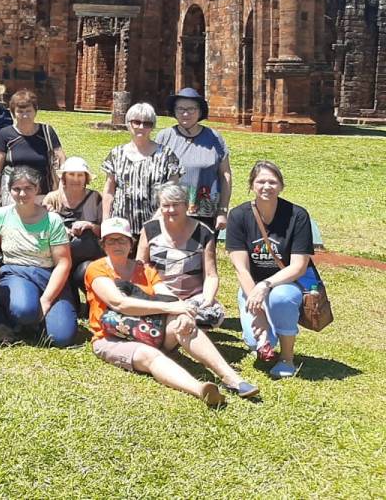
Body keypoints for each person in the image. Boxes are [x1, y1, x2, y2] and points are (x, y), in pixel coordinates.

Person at [85, 217, 258, 404]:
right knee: (149, 355)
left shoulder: (145, 269)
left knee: (182, 324)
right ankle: (201, 390)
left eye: (122, 240)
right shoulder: (96, 269)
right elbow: (119, 303)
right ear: (103, 244)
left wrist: (183, 313)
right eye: (111, 240)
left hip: (151, 331)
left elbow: (168, 296)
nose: (117, 245)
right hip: (110, 338)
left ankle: (232, 379)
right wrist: (170, 307)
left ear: (131, 243)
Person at [226, 161, 315, 379]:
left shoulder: (297, 215)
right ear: (252, 185)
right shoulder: (238, 215)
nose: (267, 186)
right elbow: (241, 269)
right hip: (251, 287)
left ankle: (287, 358)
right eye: (261, 181)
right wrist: (257, 308)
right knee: (252, 340)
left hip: (286, 284)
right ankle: (269, 333)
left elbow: (298, 266)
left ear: (281, 186)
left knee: (281, 298)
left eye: (272, 182)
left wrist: (266, 286)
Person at [0, 166, 77, 347]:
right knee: (24, 310)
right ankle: (12, 317)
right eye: (16, 189)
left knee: (61, 337)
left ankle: (28, 323)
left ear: (37, 189)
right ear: (9, 190)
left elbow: (63, 263)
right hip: (14, 273)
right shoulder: (0, 216)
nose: (22, 193)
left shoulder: (53, 220)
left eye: (28, 188)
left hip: (47, 275)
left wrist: (47, 300)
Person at [137, 183, 224, 328]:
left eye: (176, 204)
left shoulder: (203, 233)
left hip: (193, 297)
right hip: (159, 294)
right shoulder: (150, 229)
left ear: (186, 206)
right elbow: (140, 267)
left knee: (213, 314)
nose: (171, 210)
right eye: (165, 205)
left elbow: (211, 275)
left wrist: (207, 300)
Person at [102, 102, 183, 239]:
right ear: (128, 123)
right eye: (136, 122)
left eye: (147, 123)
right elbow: (109, 190)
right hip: (121, 226)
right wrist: (106, 220)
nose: (141, 127)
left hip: (157, 225)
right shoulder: (116, 154)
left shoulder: (166, 155)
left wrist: (154, 222)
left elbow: (172, 193)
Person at [155, 88, 232, 231]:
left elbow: (225, 175)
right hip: (171, 211)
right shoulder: (164, 137)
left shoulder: (215, 138)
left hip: (206, 213)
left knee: (204, 252)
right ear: (174, 111)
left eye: (191, 109)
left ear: (200, 111)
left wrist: (222, 210)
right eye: (180, 109)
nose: (185, 114)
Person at [43, 156, 104, 289]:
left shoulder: (96, 198)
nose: (75, 179)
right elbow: (40, 230)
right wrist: (59, 228)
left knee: (87, 269)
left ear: (86, 178)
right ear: (64, 177)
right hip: (57, 256)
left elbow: (105, 232)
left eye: (80, 175)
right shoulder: (52, 198)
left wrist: (90, 226)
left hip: (87, 256)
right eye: (71, 174)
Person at [0, 89, 65, 194]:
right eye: (20, 112)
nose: (25, 115)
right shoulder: (5, 134)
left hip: (43, 193)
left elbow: (61, 158)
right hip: (13, 193)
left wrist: (61, 187)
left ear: (35, 111)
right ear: (13, 113)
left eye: (28, 111)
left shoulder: (46, 132)